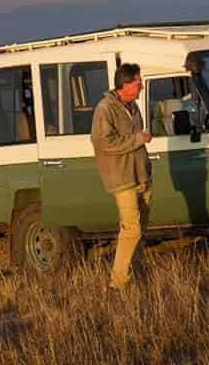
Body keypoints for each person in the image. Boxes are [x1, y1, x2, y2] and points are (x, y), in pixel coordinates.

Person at [90, 61, 152, 289]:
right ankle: (118, 282)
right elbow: (103, 143)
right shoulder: (105, 109)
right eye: (138, 82)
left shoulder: (133, 106)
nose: (141, 86)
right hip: (123, 178)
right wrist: (138, 139)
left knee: (139, 231)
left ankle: (135, 274)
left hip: (142, 175)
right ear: (125, 85)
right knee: (131, 229)